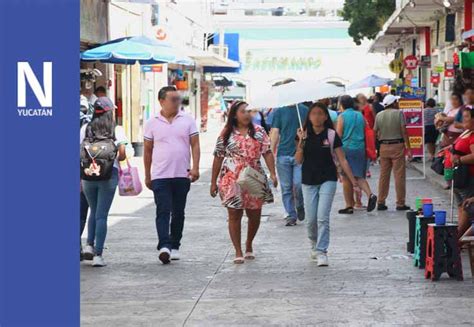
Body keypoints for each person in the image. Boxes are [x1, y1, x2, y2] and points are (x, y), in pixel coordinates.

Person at [211, 101, 277, 264]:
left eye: (249, 111)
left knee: (255, 213)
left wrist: (273, 173)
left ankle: (249, 244)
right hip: (231, 178)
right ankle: (238, 250)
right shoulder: (226, 133)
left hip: (253, 175)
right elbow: (218, 157)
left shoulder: (260, 132)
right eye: (243, 111)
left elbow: (267, 153)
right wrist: (213, 182)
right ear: (234, 114)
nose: (247, 114)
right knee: (234, 213)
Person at [295, 102, 359, 266]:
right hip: (308, 180)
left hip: (328, 179)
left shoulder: (331, 135)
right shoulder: (303, 134)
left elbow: (342, 159)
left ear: (325, 117)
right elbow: (298, 160)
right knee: (311, 219)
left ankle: (322, 251)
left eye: (320, 114)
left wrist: (353, 181)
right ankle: (313, 244)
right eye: (313, 114)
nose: (317, 117)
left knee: (322, 217)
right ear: (309, 117)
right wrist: (301, 142)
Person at [144, 86, 201, 264]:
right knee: (162, 211)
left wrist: (196, 167)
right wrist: (148, 175)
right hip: (160, 175)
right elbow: (147, 150)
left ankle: (175, 244)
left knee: (178, 212)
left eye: (178, 99)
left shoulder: (187, 120)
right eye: (173, 99)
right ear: (161, 101)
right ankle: (164, 246)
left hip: (181, 174)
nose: (177, 102)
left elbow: (195, 145)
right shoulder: (152, 122)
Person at [80, 97, 128, 267]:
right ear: (110, 112)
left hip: (87, 176)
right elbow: (122, 154)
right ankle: (98, 255)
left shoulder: (86, 128)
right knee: (101, 215)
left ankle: (89, 245)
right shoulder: (116, 129)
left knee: (93, 211)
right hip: (108, 175)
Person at [336, 95, 377, 214]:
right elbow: (366, 131)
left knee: (346, 177)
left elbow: (338, 134)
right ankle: (369, 195)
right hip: (360, 149)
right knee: (359, 175)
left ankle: (350, 205)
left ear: (342, 104)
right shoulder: (360, 115)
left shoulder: (342, 116)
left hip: (347, 149)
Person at [271, 102, 308, 226]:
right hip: (283, 154)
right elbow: (275, 132)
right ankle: (291, 215)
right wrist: (271, 151)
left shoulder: (304, 110)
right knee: (286, 187)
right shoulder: (279, 112)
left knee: (298, 184)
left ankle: (300, 205)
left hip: (300, 153)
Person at [373, 94, 412, 211]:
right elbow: (404, 132)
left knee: (384, 176)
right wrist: (408, 148)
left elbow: (375, 132)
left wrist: (377, 148)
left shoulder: (379, 115)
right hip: (397, 146)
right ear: (393, 103)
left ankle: (381, 201)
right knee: (399, 176)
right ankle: (400, 203)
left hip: (384, 147)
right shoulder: (399, 113)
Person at [451, 108, 474, 239]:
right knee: (461, 207)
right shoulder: (466, 132)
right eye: (463, 117)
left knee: (466, 209)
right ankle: (459, 239)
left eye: (467, 117)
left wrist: (459, 159)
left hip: (468, 178)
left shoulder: (472, 135)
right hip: (459, 177)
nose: (463, 120)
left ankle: (457, 241)